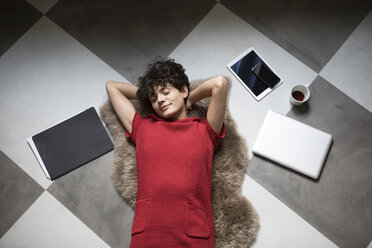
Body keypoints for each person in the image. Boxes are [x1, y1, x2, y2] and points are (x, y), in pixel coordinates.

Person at [106, 57, 228, 247]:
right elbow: (112, 87)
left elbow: (219, 84)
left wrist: (190, 99)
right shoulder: (143, 128)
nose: (160, 100)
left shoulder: (205, 130)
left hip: (194, 234)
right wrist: (148, 96)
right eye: (154, 99)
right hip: (148, 233)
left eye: (165, 92)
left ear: (183, 90)